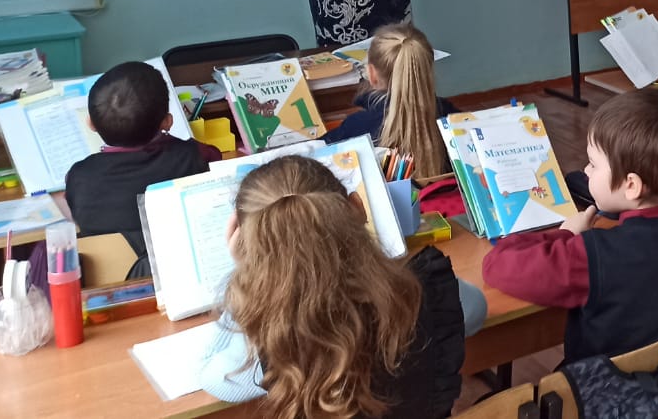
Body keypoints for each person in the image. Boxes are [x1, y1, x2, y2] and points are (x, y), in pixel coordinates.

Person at [199, 156, 485, 419]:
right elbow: (476, 309)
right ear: (358, 207)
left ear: (246, 243)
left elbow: (211, 376)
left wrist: (247, 274)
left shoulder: (272, 335)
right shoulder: (421, 290)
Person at [482, 88, 658, 364]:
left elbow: (497, 265)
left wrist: (566, 233)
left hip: (600, 388)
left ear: (632, 185)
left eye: (593, 164)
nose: (586, 171)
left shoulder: (596, 256)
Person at [64, 62, 218, 273]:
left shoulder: (78, 177)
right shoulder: (196, 156)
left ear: (90, 123)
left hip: (114, 287)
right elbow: (217, 161)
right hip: (187, 274)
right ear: (167, 122)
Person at [323, 23, 453, 181]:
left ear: (371, 74)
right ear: (426, 71)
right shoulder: (451, 117)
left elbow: (310, 154)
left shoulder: (357, 126)